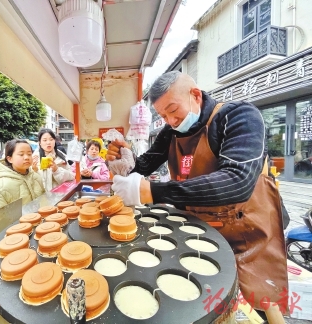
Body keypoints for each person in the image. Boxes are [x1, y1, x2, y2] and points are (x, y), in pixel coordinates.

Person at [108, 71, 287, 313]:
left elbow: (237, 181)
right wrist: (125, 160)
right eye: (163, 116)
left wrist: (152, 191)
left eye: (173, 110)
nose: (170, 120)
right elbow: (143, 166)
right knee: (204, 302)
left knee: (260, 302)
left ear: (195, 94)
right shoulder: (171, 132)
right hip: (199, 230)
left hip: (246, 230)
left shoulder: (238, 116)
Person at [0, 139, 45, 215]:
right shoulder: (0, 188)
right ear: (10, 159)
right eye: (21, 154)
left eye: (29, 154)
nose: (26, 157)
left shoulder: (36, 177)